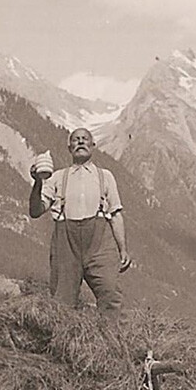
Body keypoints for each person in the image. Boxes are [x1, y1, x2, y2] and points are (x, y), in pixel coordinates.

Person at [27, 127, 130, 312]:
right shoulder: (57, 177)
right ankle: (63, 340)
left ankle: (111, 340)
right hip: (66, 246)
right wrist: (38, 182)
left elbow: (115, 214)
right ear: (69, 147)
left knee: (111, 294)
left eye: (85, 139)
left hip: (100, 246)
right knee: (61, 303)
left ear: (93, 145)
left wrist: (123, 249)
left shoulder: (105, 176)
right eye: (76, 139)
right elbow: (35, 211)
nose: (80, 142)